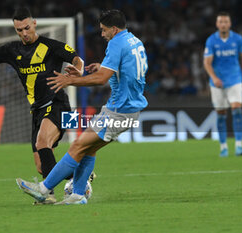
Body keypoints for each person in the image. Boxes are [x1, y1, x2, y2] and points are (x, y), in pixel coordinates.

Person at [16, 9, 148, 204]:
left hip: (118, 111)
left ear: (113, 29)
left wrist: (69, 81)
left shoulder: (116, 43)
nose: (102, 34)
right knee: (88, 149)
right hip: (131, 110)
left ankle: (44, 188)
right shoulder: (134, 41)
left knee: (78, 146)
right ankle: (78, 195)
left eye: (104, 30)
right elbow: (125, 70)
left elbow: (102, 79)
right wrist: (101, 68)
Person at [0, 7, 85, 203]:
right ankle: (79, 176)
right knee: (41, 165)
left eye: (27, 28)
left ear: (35, 23)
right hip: (37, 109)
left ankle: (49, 193)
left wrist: (78, 71)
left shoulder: (50, 45)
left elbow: (76, 58)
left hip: (57, 103)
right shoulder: (12, 49)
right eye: (19, 30)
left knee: (42, 143)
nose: (24, 33)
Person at [203, 12, 242, 157]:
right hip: (218, 82)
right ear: (217, 24)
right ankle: (223, 147)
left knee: (237, 109)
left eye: (226, 21)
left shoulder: (238, 39)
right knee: (221, 114)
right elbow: (207, 63)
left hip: (235, 79)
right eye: (221, 22)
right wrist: (214, 77)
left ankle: (239, 146)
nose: (223, 24)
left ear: (230, 24)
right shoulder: (211, 41)